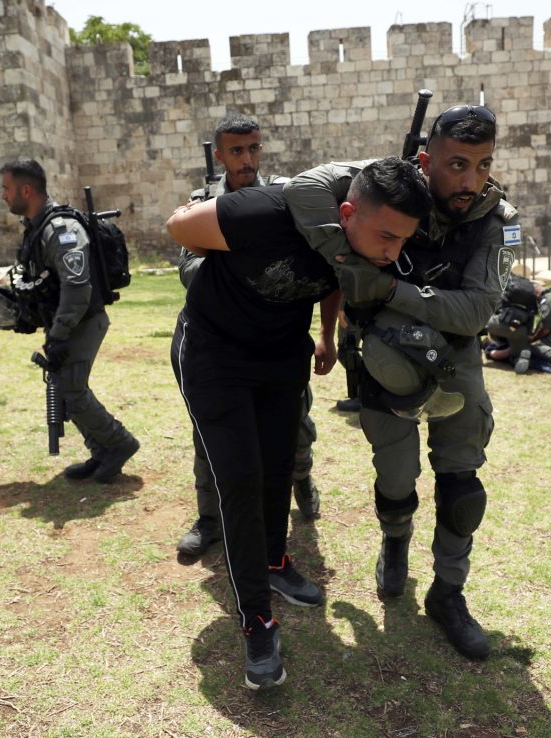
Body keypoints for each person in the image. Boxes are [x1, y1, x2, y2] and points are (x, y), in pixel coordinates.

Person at [166, 157, 430, 690]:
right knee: (239, 480)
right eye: (386, 237)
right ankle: (257, 621)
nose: (391, 253)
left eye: (403, 242)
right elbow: (178, 226)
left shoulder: (349, 241)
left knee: (278, 464)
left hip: (281, 357)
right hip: (215, 355)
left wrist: (327, 334)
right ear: (348, 213)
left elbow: (336, 274)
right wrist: (219, 253)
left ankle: (272, 558)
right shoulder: (264, 211)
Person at [283, 104, 520, 660]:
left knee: (461, 486)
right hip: (381, 359)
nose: (470, 181)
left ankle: (448, 593)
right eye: (457, 164)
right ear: (425, 158)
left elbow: (476, 312)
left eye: (483, 165)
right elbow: (302, 190)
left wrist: (389, 291)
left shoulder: (495, 219)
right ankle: (395, 545)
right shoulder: (390, 181)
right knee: (395, 475)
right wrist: (346, 257)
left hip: (455, 363)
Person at [176, 115, 321, 558]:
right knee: (209, 436)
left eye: (253, 148)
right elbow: (189, 269)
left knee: (294, 429)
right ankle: (209, 519)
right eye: (236, 151)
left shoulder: (284, 197)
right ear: (219, 155)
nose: (247, 159)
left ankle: (302, 482)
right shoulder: (202, 204)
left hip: (277, 341)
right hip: (221, 346)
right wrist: (247, 264)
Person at [0, 159, 139, 482]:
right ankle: (101, 451)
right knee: (65, 389)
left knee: (72, 389)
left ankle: (120, 443)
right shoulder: (36, 227)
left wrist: (59, 334)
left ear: (26, 190)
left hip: (82, 320)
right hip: (65, 322)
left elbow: (77, 287)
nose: (3, 196)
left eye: (6, 189)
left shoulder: (61, 230)